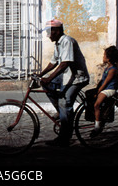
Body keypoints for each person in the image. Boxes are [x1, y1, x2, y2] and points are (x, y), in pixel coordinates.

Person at [37, 19, 90, 147]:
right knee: (46, 85)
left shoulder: (67, 41)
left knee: (65, 103)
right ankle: (62, 113)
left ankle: (65, 137)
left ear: (58, 31)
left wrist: (49, 78)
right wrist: (40, 75)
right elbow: (53, 62)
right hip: (66, 76)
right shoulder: (58, 43)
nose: (48, 35)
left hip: (77, 78)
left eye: (50, 32)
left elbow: (65, 64)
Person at [91, 45, 118, 137]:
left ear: (109, 58)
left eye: (104, 55)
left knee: (96, 104)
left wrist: (99, 91)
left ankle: (97, 126)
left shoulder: (112, 70)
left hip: (109, 89)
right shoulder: (107, 68)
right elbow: (101, 81)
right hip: (105, 89)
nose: (103, 57)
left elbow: (106, 83)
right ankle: (98, 118)